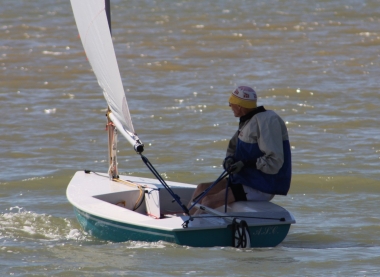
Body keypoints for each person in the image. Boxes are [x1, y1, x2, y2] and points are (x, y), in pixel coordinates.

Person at [189, 86, 291, 215]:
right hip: (245, 179)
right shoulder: (248, 121)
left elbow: (275, 161)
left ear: (240, 106)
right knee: (201, 189)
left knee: (209, 201)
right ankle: (183, 220)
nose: (229, 106)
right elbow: (233, 147)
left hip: (262, 185)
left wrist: (245, 163)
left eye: (231, 103)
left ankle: (190, 228)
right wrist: (229, 160)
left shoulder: (267, 120)